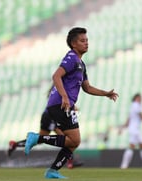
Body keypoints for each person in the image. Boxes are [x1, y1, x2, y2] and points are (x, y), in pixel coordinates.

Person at [24, 27, 119, 179]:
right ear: (74, 44)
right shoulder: (71, 58)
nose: (86, 43)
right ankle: (36, 139)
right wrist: (65, 97)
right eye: (82, 41)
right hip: (59, 104)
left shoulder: (81, 64)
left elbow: (87, 87)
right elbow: (56, 76)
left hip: (63, 104)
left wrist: (105, 93)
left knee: (74, 142)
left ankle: (53, 170)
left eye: (87, 40)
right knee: (74, 140)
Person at [7, 87, 83, 169]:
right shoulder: (62, 88)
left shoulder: (58, 89)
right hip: (51, 117)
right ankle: (70, 162)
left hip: (47, 116)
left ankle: (15, 144)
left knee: (40, 139)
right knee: (65, 139)